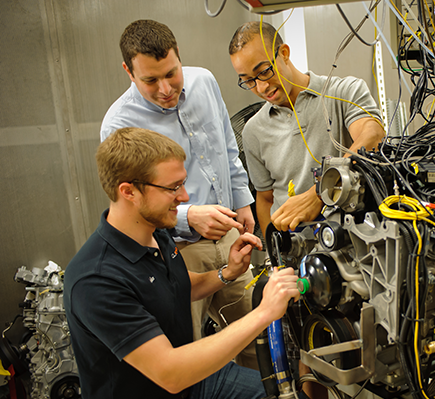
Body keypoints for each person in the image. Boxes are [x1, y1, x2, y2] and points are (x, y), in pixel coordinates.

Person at [64, 127, 300, 399]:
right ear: (129, 191)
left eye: (183, 183)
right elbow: (171, 374)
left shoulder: (155, 231)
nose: (185, 196)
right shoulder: (96, 280)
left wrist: (227, 273)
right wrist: (265, 313)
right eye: (172, 188)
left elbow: (177, 284)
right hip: (172, 381)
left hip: (194, 383)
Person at [101, 19, 257, 368]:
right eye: (151, 80)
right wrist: (190, 215)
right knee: (190, 356)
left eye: (172, 73)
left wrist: (242, 198)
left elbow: (227, 146)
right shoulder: (118, 125)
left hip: (230, 234)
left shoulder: (204, 81)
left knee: (252, 340)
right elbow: (132, 204)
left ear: (179, 58)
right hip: (175, 250)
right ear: (128, 71)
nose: (166, 88)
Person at [229, 22, 386, 237]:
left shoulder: (343, 92)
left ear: (284, 53)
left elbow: (373, 135)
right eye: (248, 81)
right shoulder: (253, 130)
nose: (261, 87)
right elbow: (265, 199)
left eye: (265, 71)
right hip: (297, 253)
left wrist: (321, 193)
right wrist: (276, 254)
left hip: (350, 243)